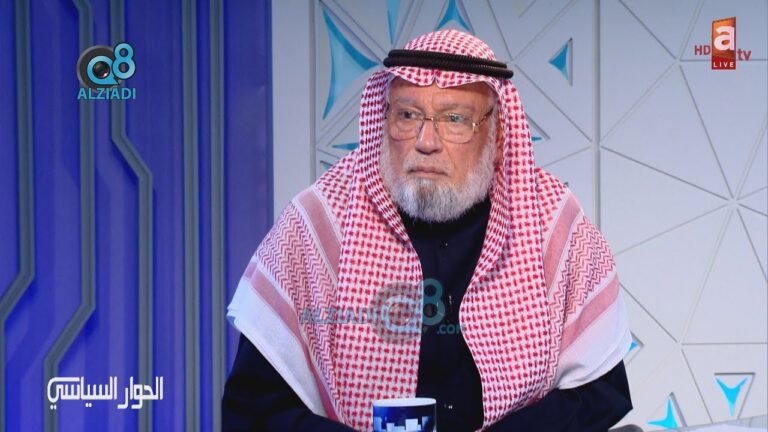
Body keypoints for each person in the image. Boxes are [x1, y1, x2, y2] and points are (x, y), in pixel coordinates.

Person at [223, 30, 632, 431]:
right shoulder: (320, 221)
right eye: (407, 115)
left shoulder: (549, 221)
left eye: (455, 119)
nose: (426, 141)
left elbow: (600, 392)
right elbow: (254, 407)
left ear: (497, 134)